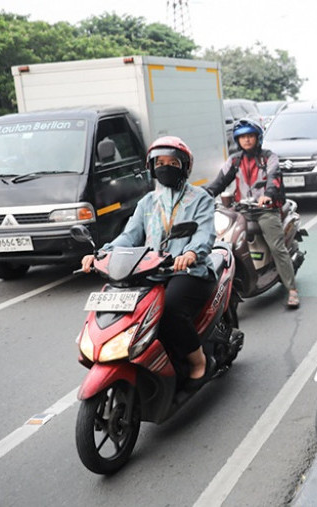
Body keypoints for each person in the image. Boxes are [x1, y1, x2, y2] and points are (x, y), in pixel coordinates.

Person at [81, 136, 217, 392]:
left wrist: (190, 253)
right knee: (132, 311)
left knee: (171, 309)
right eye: (160, 162)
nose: (165, 167)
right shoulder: (148, 202)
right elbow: (129, 236)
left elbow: (204, 233)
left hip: (189, 270)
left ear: (184, 166)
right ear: (152, 167)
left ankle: (198, 361)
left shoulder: (200, 198)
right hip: (152, 271)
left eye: (172, 162)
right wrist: (101, 254)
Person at [204, 117, 300, 309]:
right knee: (222, 240)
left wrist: (268, 196)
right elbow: (219, 182)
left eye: (250, 136)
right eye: (242, 137)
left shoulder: (269, 157)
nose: (246, 140)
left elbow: (274, 178)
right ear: (237, 140)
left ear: (258, 138)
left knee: (277, 247)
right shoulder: (234, 160)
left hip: (266, 210)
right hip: (241, 210)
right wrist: (202, 196)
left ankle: (292, 290)